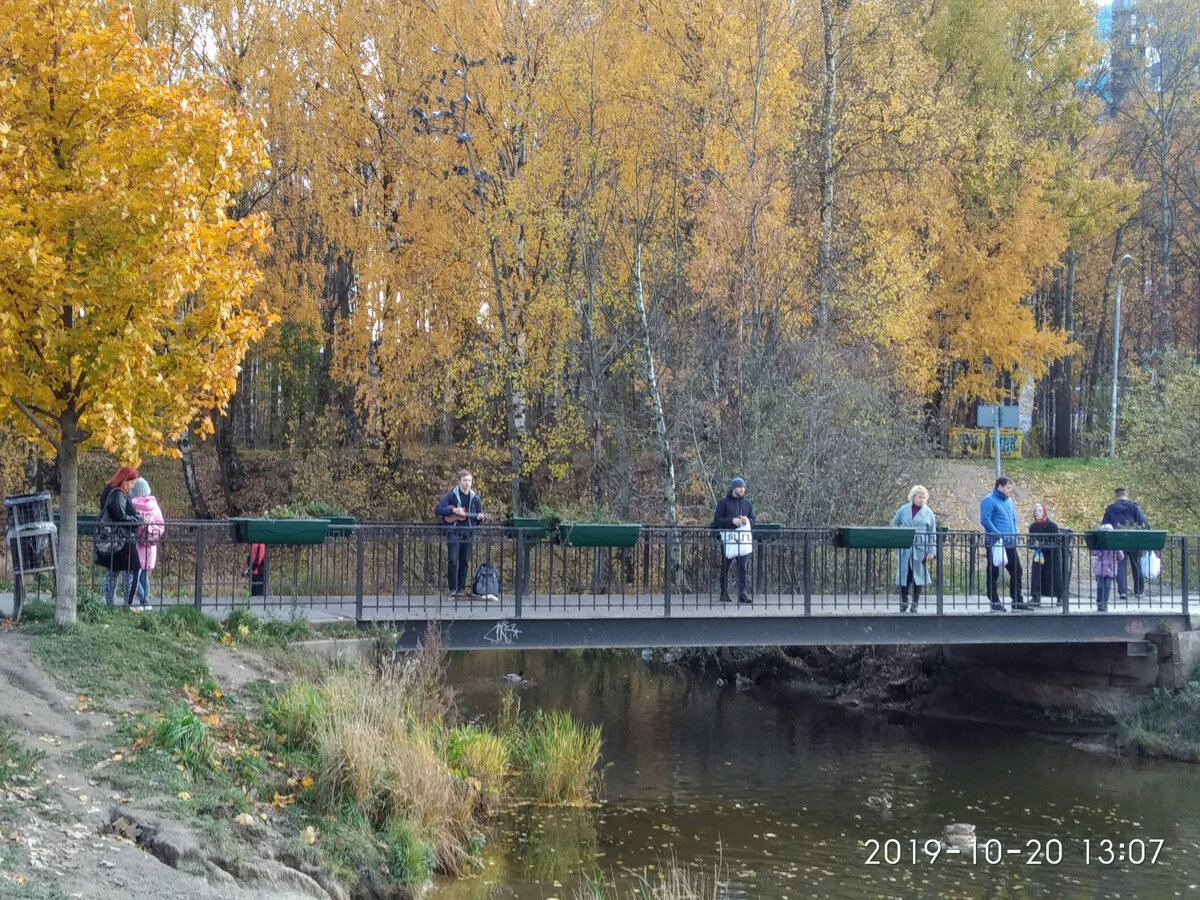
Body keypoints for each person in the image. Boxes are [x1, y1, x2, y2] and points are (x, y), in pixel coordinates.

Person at [980, 476, 1030, 612]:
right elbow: (985, 520)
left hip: (1009, 542)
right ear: (1000, 487)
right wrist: (997, 534)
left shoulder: (1009, 502)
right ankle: (994, 600)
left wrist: (1015, 532)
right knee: (993, 571)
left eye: (1011, 488)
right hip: (995, 542)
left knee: (1017, 570)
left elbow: (1013, 518)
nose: (1010, 490)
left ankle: (1017, 599)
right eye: (1008, 487)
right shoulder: (989, 500)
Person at [95, 466, 142, 605]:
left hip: (113, 538)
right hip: (122, 540)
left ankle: (110, 603)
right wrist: (139, 520)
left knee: (113, 571)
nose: (132, 487)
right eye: (131, 483)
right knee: (132, 569)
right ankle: (127, 604)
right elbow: (120, 516)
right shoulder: (118, 494)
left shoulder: (109, 491)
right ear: (124, 480)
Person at [434, 470, 484, 599]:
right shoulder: (451, 496)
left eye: (469, 481)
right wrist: (454, 510)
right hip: (454, 532)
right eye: (465, 480)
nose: (467, 483)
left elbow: (477, 518)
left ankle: (461, 589)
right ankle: (452, 589)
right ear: (459, 481)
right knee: (453, 560)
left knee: (464, 561)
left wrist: (479, 518)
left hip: (468, 533)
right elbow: (438, 509)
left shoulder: (475, 498)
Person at [889, 485, 937, 613]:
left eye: (924, 497)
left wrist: (931, 551)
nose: (922, 500)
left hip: (920, 548)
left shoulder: (928, 513)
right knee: (905, 575)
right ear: (913, 497)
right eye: (919, 497)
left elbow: (932, 533)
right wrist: (899, 536)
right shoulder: (903, 510)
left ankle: (915, 602)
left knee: (918, 576)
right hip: (905, 547)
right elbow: (893, 524)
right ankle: (903, 601)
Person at [1101, 487, 1151, 600]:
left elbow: (1104, 525)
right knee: (1136, 564)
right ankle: (1139, 590)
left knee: (1120, 565)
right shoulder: (1134, 507)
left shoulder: (1111, 509)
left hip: (1117, 540)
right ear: (1126, 495)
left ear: (1116, 496)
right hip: (1134, 539)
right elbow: (1143, 523)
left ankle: (1122, 591)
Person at [713, 477, 755, 604]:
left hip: (743, 540)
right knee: (726, 566)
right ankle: (723, 593)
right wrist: (731, 521)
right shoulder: (723, 503)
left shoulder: (747, 504)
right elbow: (717, 520)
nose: (742, 489)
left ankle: (742, 593)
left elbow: (753, 519)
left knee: (743, 567)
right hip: (728, 539)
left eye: (743, 487)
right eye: (739, 487)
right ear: (733, 488)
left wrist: (746, 520)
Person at [127, 477, 164, 609]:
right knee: (144, 575)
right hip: (150, 545)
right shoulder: (154, 506)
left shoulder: (132, 505)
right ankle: (146, 601)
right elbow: (161, 525)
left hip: (136, 546)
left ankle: (143, 600)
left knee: (133, 576)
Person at [1027, 502, 1063, 607]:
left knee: (1054, 575)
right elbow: (1031, 543)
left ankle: (1059, 597)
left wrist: (1043, 545)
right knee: (1036, 573)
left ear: (1044, 512)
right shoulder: (1033, 527)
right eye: (1035, 511)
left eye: (1040, 511)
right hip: (1039, 554)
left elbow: (1058, 542)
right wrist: (1034, 545)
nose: (1037, 513)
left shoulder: (1052, 526)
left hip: (1052, 555)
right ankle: (1035, 597)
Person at [1091, 523, 1125, 612]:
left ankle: (1104, 603)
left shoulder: (1114, 545)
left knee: (1106, 587)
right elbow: (1093, 553)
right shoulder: (1100, 545)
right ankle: (1100, 603)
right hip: (1101, 569)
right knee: (1100, 586)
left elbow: (1120, 556)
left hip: (1109, 569)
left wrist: (1117, 551)